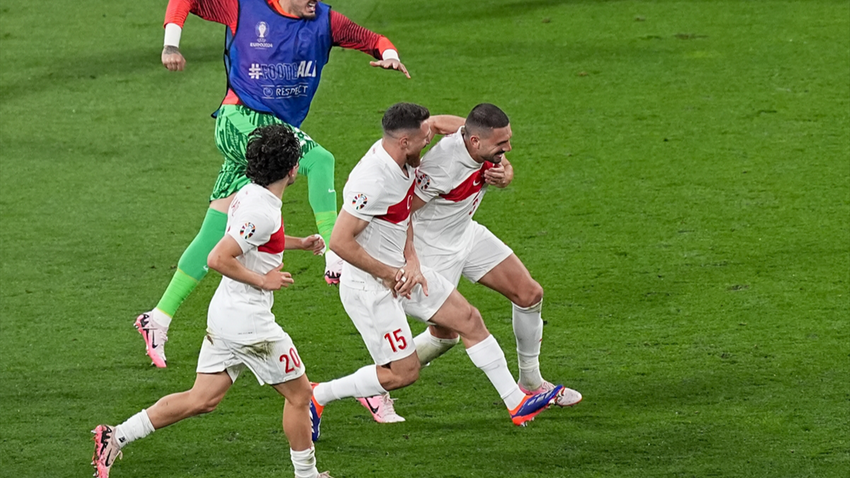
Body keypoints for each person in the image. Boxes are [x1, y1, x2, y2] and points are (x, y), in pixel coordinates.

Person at [136, 0, 411, 369]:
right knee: (319, 159)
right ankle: (335, 252)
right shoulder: (243, 7)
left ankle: (158, 318)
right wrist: (172, 43)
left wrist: (389, 54)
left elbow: (374, 39)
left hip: (270, 133)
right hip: (238, 117)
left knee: (216, 230)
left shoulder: (325, 20)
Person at [308, 103, 567, 442]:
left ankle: (518, 402)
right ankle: (320, 394)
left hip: (408, 265)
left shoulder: (404, 162)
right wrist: (388, 271)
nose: (432, 139)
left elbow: (402, 217)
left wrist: (410, 260)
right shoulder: (375, 180)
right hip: (376, 282)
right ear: (405, 141)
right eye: (425, 137)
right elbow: (341, 240)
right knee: (405, 371)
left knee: (470, 321)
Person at [93, 125, 331, 478]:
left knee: (202, 399)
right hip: (249, 323)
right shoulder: (262, 211)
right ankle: (307, 475)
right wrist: (263, 279)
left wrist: (298, 243)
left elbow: (252, 239)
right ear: (293, 169)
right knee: (299, 396)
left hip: (226, 314)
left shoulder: (249, 194)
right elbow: (219, 258)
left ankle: (116, 436)